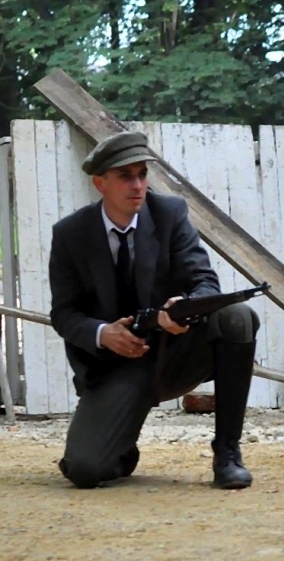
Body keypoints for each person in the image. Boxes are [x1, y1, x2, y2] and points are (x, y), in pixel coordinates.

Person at [48, 131, 260, 489]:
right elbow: (64, 313)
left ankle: (227, 453)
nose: (138, 185)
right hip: (114, 368)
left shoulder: (169, 213)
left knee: (236, 317)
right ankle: (120, 450)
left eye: (142, 174)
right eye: (125, 176)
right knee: (85, 470)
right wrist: (103, 334)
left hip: (175, 353)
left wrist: (183, 309)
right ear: (100, 183)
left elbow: (205, 281)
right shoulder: (71, 234)